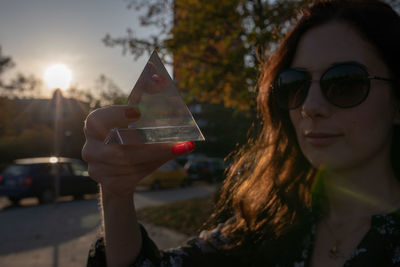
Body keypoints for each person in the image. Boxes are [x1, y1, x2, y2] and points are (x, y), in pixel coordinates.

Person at [82, 0, 400, 266]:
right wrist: (116, 196)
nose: (309, 106)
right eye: (294, 85)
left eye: (344, 82)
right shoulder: (268, 224)